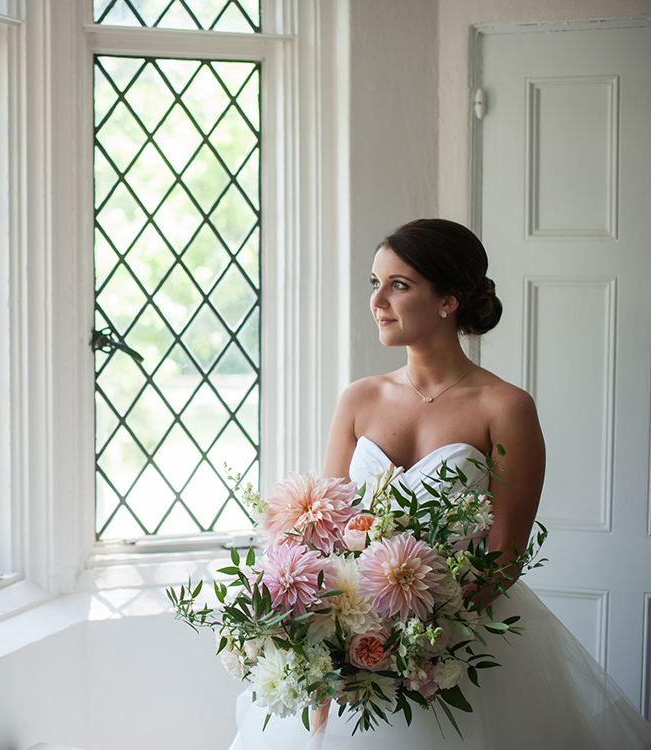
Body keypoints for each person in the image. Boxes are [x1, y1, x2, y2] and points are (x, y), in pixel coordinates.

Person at [229, 219, 651, 749]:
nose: (377, 300)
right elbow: (326, 531)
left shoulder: (505, 408)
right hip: (356, 638)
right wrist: (334, 634)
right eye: (374, 283)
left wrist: (421, 639)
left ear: (449, 300)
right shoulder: (359, 399)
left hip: (461, 640)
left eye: (398, 285)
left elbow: (505, 554)